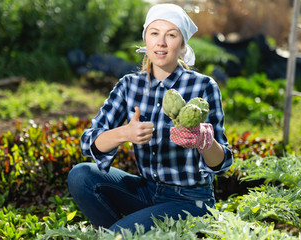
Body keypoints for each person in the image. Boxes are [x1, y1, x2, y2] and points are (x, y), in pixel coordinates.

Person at [67, 3, 233, 234]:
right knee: (80, 176)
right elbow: (88, 143)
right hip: (146, 191)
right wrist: (124, 133)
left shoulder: (203, 86)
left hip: (190, 200)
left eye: (171, 35)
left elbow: (222, 163)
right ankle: (119, 233)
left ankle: (118, 234)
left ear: (183, 43)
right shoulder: (128, 86)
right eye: (154, 33)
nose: (161, 42)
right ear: (145, 38)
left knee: (119, 235)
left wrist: (204, 143)